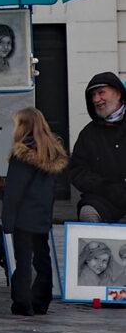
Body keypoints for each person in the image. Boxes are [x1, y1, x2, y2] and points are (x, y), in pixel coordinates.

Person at [2, 107, 66, 316]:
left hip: (23, 216)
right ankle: (41, 299)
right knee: (42, 258)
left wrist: (7, 220)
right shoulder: (51, 153)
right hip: (41, 215)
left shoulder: (22, 155)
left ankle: (23, 302)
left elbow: (14, 191)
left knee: (24, 260)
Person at [69, 72, 126, 221]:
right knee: (88, 212)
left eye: (101, 93)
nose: (96, 99)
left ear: (118, 93)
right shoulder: (88, 134)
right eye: (93, 95)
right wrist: (105, 187)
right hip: (104, 198)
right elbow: (77, 170)